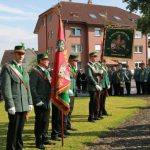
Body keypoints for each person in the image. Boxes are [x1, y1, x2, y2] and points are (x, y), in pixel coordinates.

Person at [1, 45, 33, 150]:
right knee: (13, 130)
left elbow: (27, 87)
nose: (21, 56)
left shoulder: (23, 69)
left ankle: (19, 147)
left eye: (22, 54)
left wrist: (30, 102)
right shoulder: (8, 67)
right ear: (14, 54)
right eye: (18, 53)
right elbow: (6, 88)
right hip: (14, 105)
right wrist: (10, 104)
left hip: (24, 104)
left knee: (20, 130)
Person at [29, 53, 53, 149]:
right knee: (39, 121)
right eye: (45, 59)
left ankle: (45, 138)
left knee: (46, 121)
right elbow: (32, 87)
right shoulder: (35, 72)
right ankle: (38, 141)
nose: (48, 61)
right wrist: (37, 100)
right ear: (40, 61)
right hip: (40, 101)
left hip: (47, 100)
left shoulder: (46, 71)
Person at [85, 51, 101, 122]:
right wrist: (95, 84)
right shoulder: (88, 65)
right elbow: (89, 76)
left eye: (96, 57)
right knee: (92, 101)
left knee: (97, 101)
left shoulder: (96, 65)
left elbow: (97, 74)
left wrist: (101, 73)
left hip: (97, 86)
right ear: (90, 57)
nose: (95, 58)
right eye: (93, 56)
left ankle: (96, 115)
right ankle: (90, 117)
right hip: (92, 86)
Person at [66, 54, 79, 130]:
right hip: (68, 91)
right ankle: (65, 126)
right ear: (70, 60)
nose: (76, 62)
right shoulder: (67, 68)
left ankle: (68, 125)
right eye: (75, 60)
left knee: (70, 109)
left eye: (77, 61)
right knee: (67, 109)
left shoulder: (73, 68)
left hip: (72, 92)